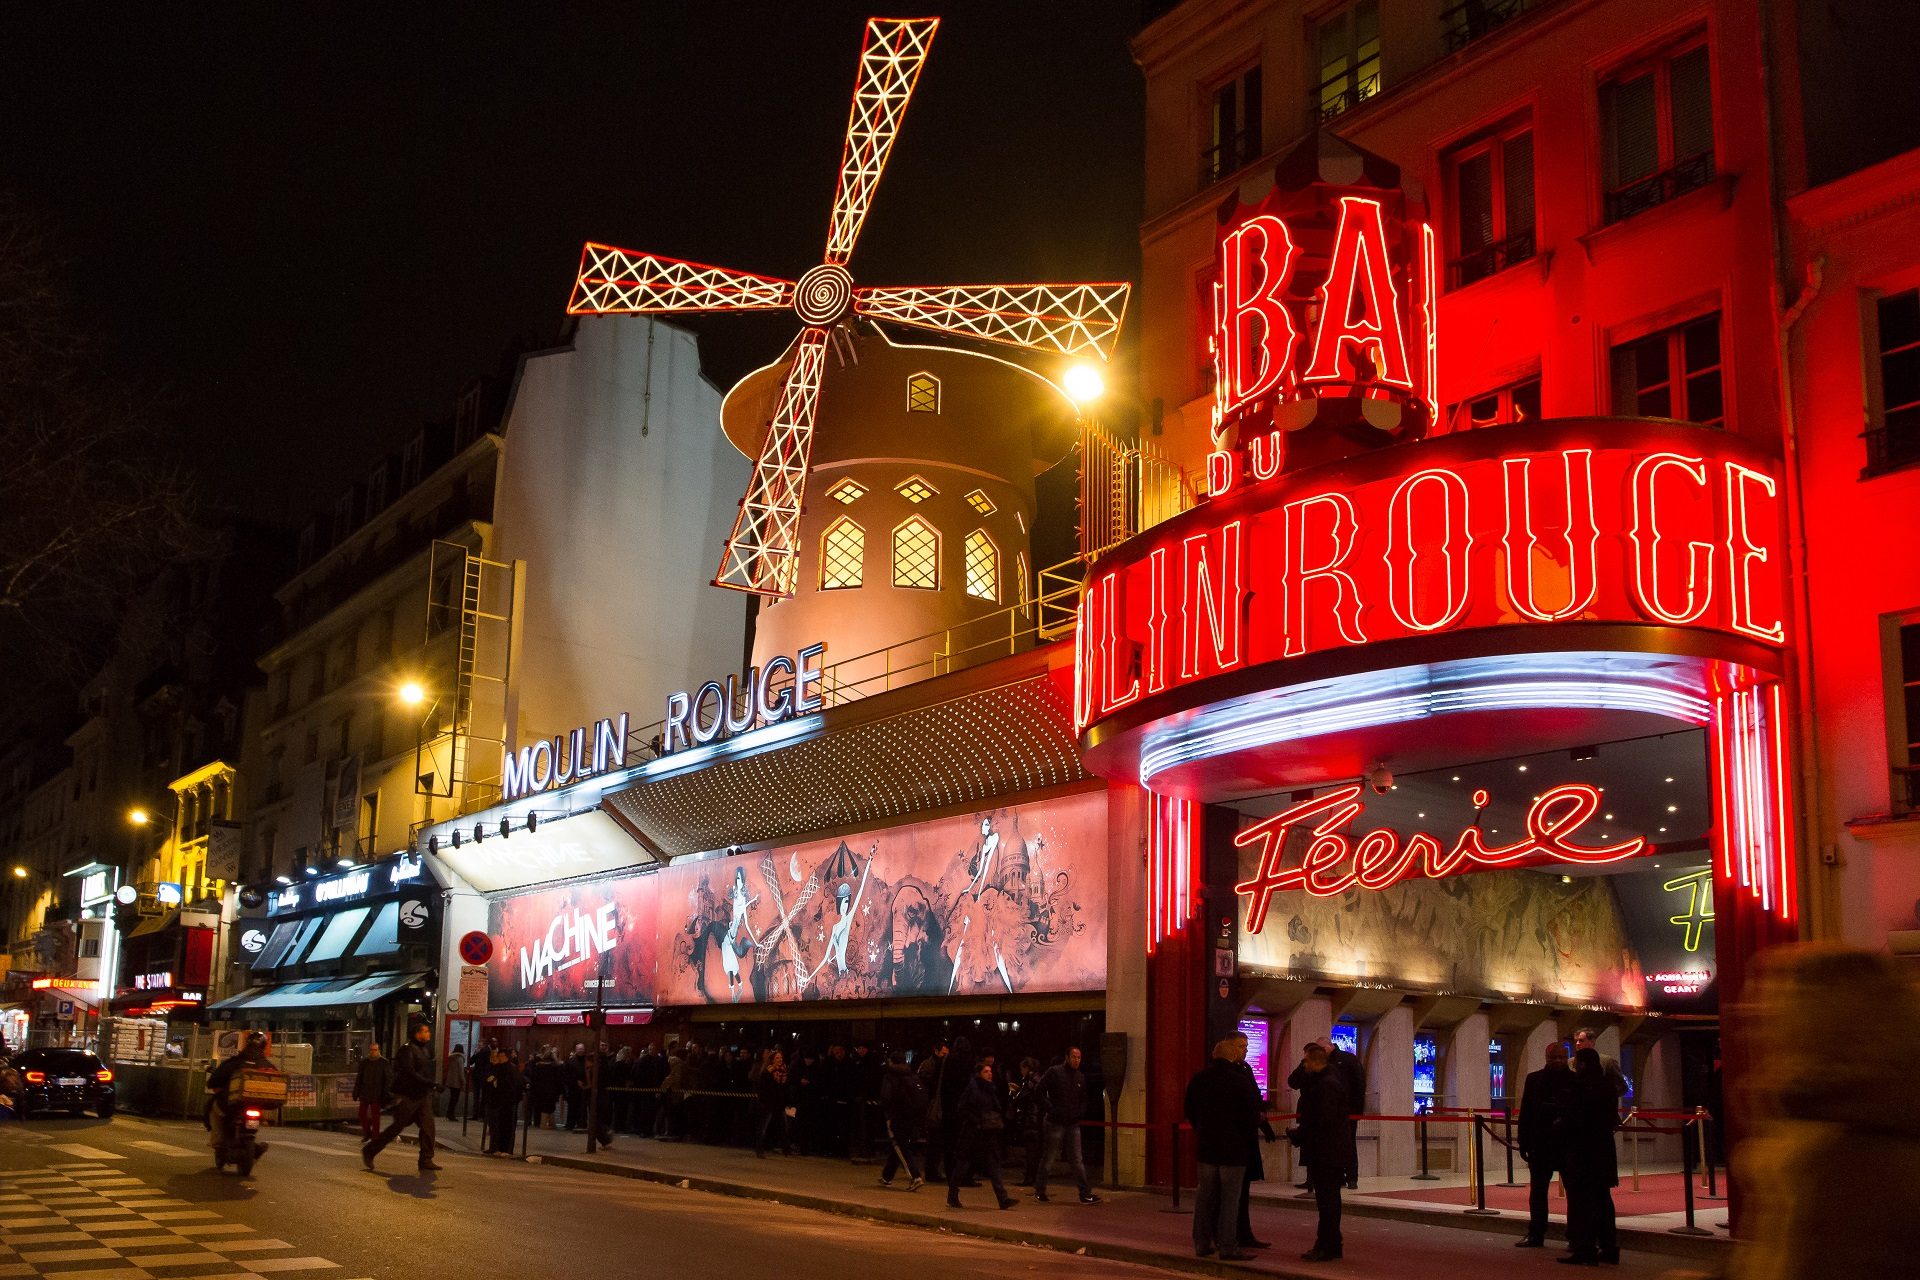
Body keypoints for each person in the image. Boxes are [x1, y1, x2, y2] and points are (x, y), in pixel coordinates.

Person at [1185, 1037, 1259, 1261]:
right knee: (1229, 1200)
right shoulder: (1239, 1081)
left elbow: (1189, 1110)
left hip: (1207, 1148)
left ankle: (1201, 1242)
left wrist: (1202, 1130)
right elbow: (1249, 1116)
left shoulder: (1199, 1079)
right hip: (1233, 1151)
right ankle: (1227, 1245)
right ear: (1232, 1055)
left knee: (1205, 1197)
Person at [1290, 1039, 1354, 1263]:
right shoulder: (1330, 1080)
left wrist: (1300, 1134)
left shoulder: (1325, 1084)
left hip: (1326, 1151)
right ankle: (1330, 1243)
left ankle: (1327, 1245)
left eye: (1305, 1061)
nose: (1303, 1065)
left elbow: (1322, 1121)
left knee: (1327, 1201)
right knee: (1329, 1200)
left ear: (1313, 1061)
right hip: (1330, 1149)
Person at [1560, 1046, 1620, 1266]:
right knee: (1603, 1200)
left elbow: (1572, 1119)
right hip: (1603, 1148)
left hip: (1582, 1150)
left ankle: (1586, 1249)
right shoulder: (1608, 1086)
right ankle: (1609, 1247)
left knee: (1582, 1202)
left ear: (1582, 1064)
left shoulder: (1579, 1086)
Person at [1515, 1040, 1574, 1249]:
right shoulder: (1534, 1080)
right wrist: (1523, 1141)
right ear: (1546, 1058)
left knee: (1574, 1193)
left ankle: (1574, 1237)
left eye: (1561, 1057)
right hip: (1541, 1143)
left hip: (1568, 1144)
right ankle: (1536, 1234)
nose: (1557, 1061)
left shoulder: (1575, 1081)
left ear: (1566, 1058)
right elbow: (1526, 1112)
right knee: (1538, 1192)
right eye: (1553, 1057)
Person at [364, 1020, 442, 1174]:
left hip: (422, 1096)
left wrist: (430, 1085)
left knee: (428, 1127)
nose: (429, 1034)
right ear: (417, 1033)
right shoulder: (406, 1050)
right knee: (396, 1128)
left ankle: (426, 1159)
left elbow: (424, 1071)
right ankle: (370, 1151)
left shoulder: (425, 1050)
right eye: (425, 1031)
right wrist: (431, 1084)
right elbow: (409, 1073)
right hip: (407, 1096)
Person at [1033, 1045, 1100, 1204]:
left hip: (1072, 1123)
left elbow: (1084, 1098)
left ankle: (1085, 1193)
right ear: (1067, 1057)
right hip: (1055, 1122)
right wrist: (1051, 1108)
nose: (1077, 1060)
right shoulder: (1055, 1072)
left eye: (1079, 1057)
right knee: (1049, 1158)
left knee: (1076, 1159)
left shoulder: (1080, 1077)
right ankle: (1040, 1190)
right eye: (1074, 1057)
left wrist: (1080, 1111)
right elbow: (1039, 1090)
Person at [1229, 1030, 1276, 1249]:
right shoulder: (1227, 1071)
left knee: (1244, 1190)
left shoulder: (1245, 1069)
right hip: (1232, 1139)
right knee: (1231, 1192)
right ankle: (1230, 1234)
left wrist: (1264, 1125)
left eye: (1246, 1046)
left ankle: (1244, 1233)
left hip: (1247, 1138)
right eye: (1240, 1046)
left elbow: (1254, 1100)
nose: (1245, 1050)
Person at [946, 1059, 1015, 1210]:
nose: (990, 1074)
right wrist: (976, 1120)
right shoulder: (973, 1088)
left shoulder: (991, 1089)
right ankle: (952, 1195)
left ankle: (1003, 1198)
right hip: (972, 1133)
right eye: (986, 1072)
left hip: (988, 1133)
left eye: (990, 1072)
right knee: (963, 1164)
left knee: (993, 1164)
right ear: (978, 1074)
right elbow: (962, 1107)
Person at [206, 1031, 276, 1162]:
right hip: (256, 1105)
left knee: (213, 1108)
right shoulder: (269, 1067)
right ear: (264, 1046)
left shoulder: (234, 1062)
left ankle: (218, 1143)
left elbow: (214, 1081)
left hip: (231, 1105)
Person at [877, 1047, 927, 1190]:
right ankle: (887, 1176)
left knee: (899, 1146)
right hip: (910, 1116)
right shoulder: (911, 1074)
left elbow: (886, 1097)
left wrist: (886, 1110)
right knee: (899, 1145)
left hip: (896, 1115)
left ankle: (915, 1176)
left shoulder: (890, 1076)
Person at [1326, 1034, 1367, 1190]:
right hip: (1337, 1111)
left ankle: (1351, 1177)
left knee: (1348, 1144)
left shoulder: (1347, 1060)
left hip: (1347, 1112)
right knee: (1339, 1144)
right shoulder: (1340, 1060)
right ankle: (1341, 1176)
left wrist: (1356, 1110)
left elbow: (1359, 1084)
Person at [917, 1041, 953, 1181]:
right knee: (934, 1141)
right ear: (937, 1051)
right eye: (944, 1053)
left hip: (934, 1106)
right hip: (931, 1106)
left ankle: (933, 1170)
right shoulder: (931, 1066)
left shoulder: (937, 1065)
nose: (946, 1056)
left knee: (936, 1141)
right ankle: (932, 1171)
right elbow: (926, 1085)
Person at [480, 1047, 524, 1157]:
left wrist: (497, 1083)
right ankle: (497, 1147)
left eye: (500, 1056)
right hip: (498, 1101)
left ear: (505, 1057)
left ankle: (507, 1149)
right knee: (498, 1126)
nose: (498, 1058)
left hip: (508, 1102)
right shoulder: (499, 1068)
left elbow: (515, 1085)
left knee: (507, 1126)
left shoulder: (511, 1069)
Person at [752, 1049, 791, 1157]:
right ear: (772, 1060)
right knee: (763, 1127)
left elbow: (785, 1088)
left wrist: (787, 1100)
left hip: (780, 1103)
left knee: (784, 1126)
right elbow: (763, 1089)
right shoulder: (767, 1072)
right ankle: (759, 1149)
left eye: (781, 1058)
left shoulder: (784, 1071)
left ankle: (786, 1149)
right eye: (777, 1058)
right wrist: (764, 1101)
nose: (780, 1060)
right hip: (769, 1104)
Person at [351, 1042, 391, 1145]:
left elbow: (387, 1079)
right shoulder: (365, 1062)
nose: (373, 1052)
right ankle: (367, 1133)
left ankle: (375, 1135)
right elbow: (359, 1078)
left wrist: (386, 1094)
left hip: (377, 1093)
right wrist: (356, 1092)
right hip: (365, 1092)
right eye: (371, 1050)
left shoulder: (383, 1062)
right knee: (362, 1114)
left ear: (379, 1051)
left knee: (375, 1116)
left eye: (375, 1050)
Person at [1572, 1029, 1628, 1101]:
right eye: (1576, 1041)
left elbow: (1622, 1087)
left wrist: (1604, 1096)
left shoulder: (1606, 1061)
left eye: (1581, 1040)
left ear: (1592, 1042)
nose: (1577, 1043)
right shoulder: (1570, 1062)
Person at [529, 1047, 564, 1129]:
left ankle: (546, 1123)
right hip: (550, 1090)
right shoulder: (554, 1066)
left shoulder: (540, 1065)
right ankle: (545, 1124)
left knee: (546, 1106)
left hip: (542, 1090)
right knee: (549, 1107)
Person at [442, 1044, 466, 1120]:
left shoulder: (452, 1058)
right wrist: (463, 1082)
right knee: (455, 1099)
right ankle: (451, 1115)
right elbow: (461, 1072)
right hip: (457, 1082)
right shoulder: (460, 1059)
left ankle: (449, 1113)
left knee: (452, 1098)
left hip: (451, 1081)